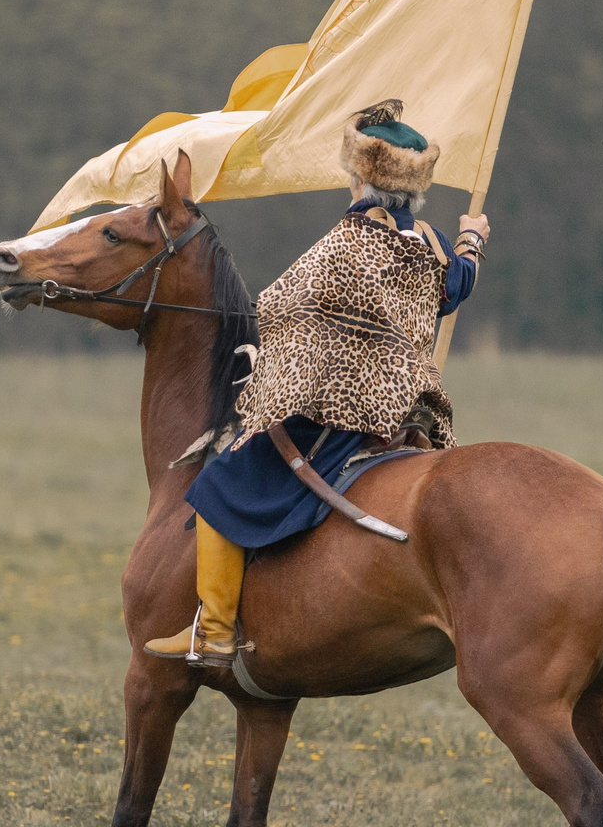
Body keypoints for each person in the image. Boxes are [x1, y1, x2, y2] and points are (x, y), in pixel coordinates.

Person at [147, 101, 489, 665]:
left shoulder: (347, 239)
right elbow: (457, 289)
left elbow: (278, 306)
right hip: (409, 408)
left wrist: (260, 345)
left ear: (360, 179)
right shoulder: (431, 242)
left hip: (342, 409)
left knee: (220, 481)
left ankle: (212, 634)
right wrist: (472, 238)